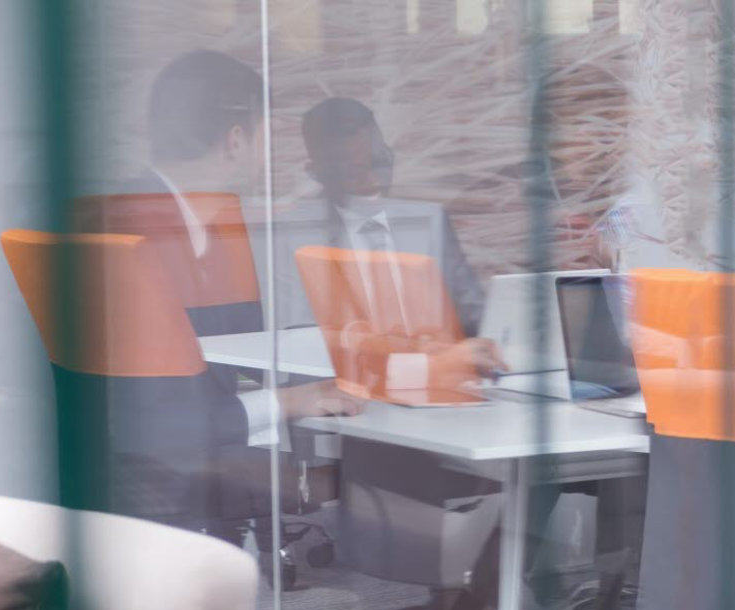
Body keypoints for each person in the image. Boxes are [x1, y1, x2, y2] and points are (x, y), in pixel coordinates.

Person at [73, 50, 360, 533]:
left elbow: (240, 352)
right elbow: (150, 423)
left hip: (196, 474)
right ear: (235, 140)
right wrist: (292, 402)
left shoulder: (209, 223)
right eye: (268, 136)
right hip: (146, 498)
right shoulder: (131, 236)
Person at [269, 97, 487, 337]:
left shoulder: (429, 221)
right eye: (356, 171)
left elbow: (473, 315)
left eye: (378, 161)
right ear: (317, 172)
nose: (375, 179)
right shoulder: (293, 236)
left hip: (433, 366)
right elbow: (297, 336)